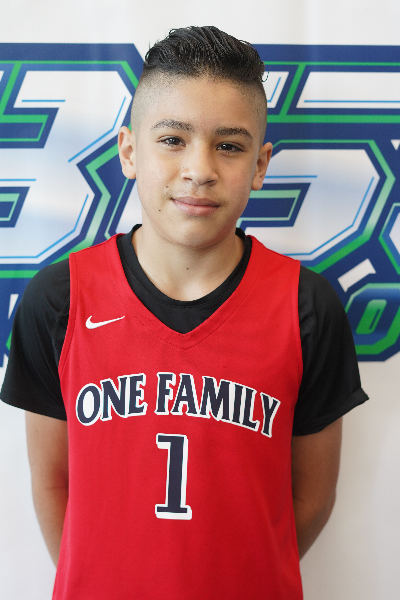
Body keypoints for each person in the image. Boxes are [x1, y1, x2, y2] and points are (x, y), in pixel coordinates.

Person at [0, 26, 368, 600]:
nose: (200, 169)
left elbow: (312, 497)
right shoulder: (60, 298)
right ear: (129, 151)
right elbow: (52, 482)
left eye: (229, 146)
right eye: (172, 139)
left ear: (261, 165)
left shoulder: (307, 307)